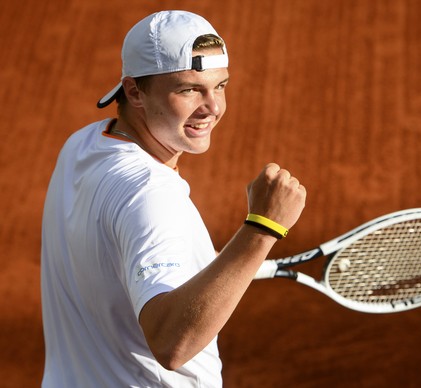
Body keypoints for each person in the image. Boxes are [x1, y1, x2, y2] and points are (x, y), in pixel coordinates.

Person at [40, 10, 306, 387]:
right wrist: (262, 228)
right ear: (134, 91)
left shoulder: (82, 145)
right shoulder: (151, 194)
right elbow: (171, 343)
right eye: (189, 89)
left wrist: (219, 261)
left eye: (220, 86)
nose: (213, 107)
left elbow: (122, 250)